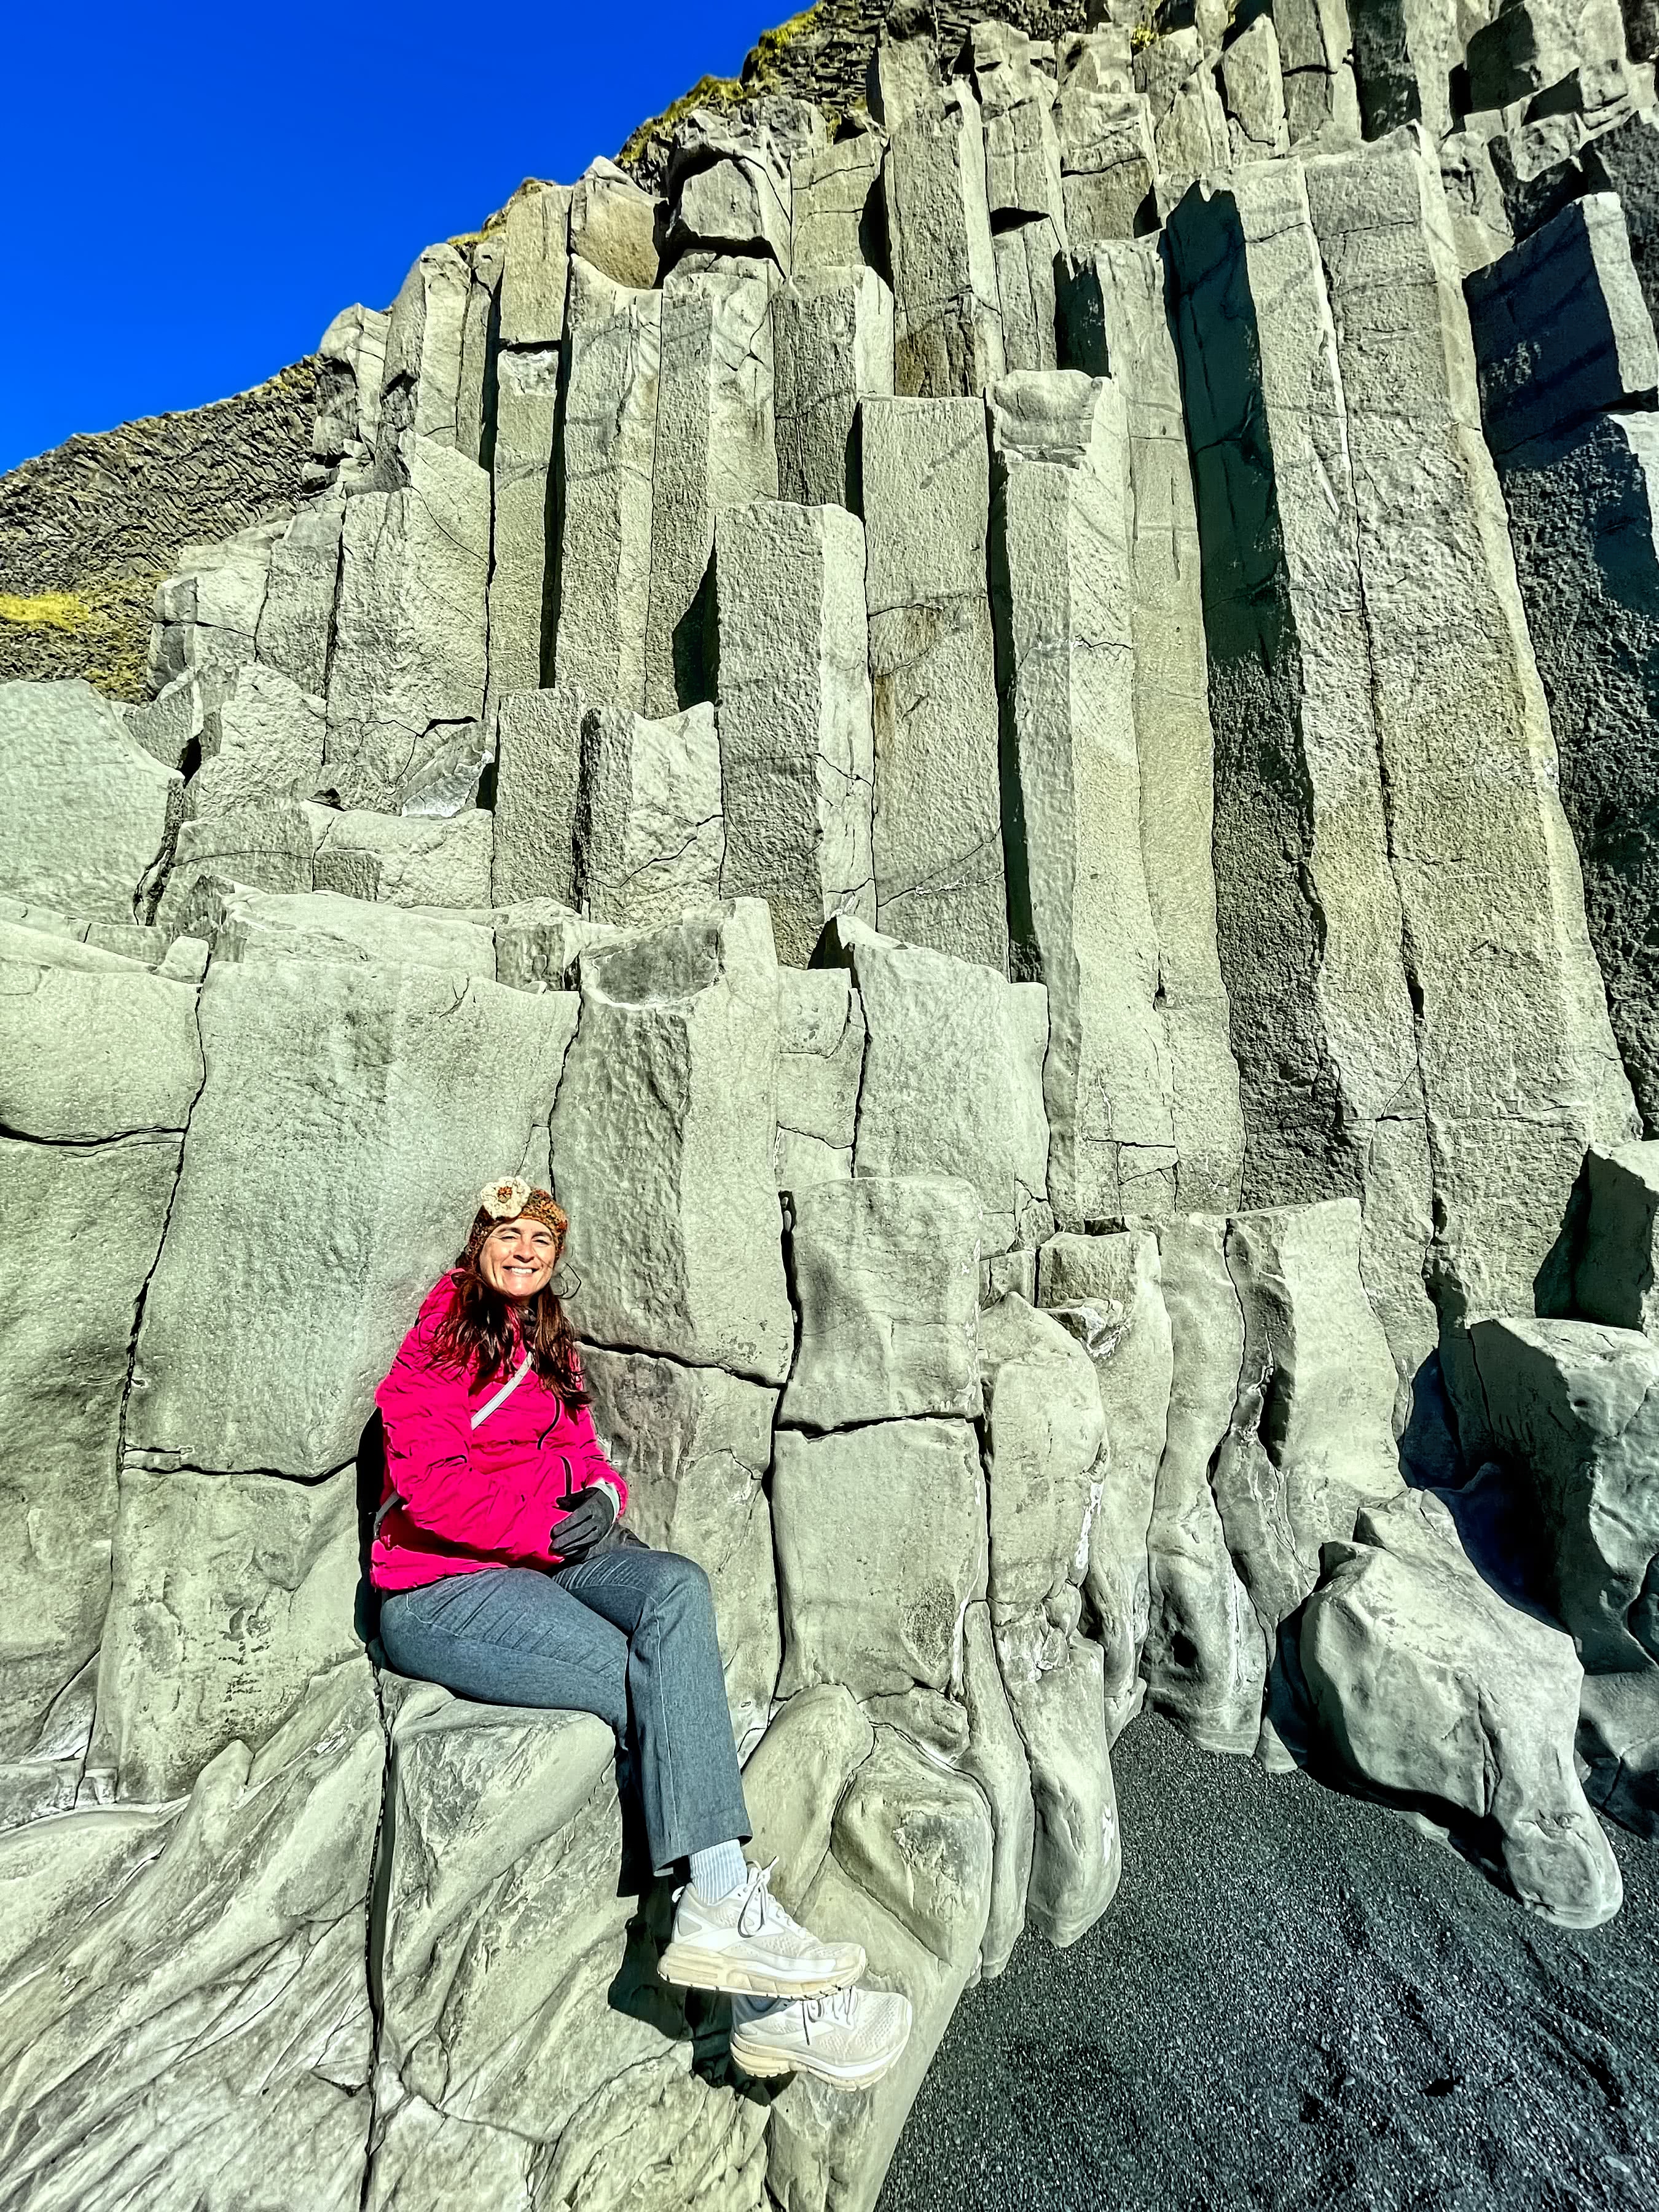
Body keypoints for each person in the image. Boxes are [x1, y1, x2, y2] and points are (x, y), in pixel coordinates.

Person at [372, 1174, 912, 2092]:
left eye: (540, 1243)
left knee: (676, 1592)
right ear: (479, 1243)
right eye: (507, 1236)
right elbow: (429, 1485)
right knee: (639, 1683)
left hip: (549, 1549)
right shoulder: (439, 1339)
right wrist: (543, 1523)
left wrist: (600, 1497)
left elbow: (583, 1443)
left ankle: (724, 1911)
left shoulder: (544, 1336)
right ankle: (760, 1990)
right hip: (442, 1586)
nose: (523, 1253)